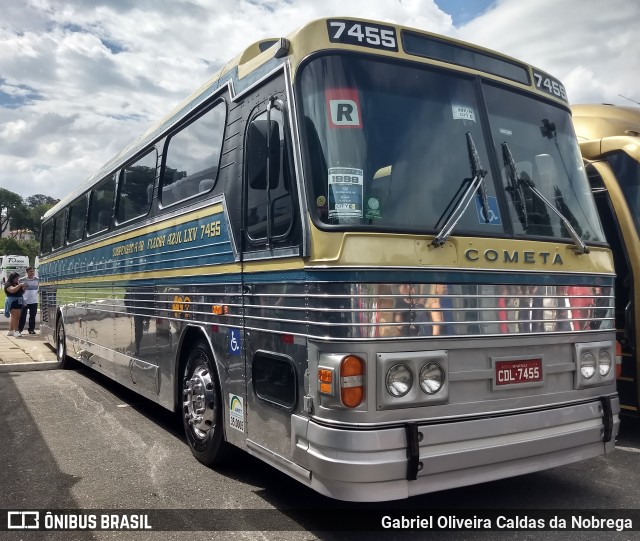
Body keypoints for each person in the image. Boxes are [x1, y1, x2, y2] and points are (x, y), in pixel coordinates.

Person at [4, 272, 26, 337]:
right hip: (13, 302)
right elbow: (12, 290)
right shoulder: (8, 284)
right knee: (16, 317)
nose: (17, 280)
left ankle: (11, 331)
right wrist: (19, 285)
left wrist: (23, 288)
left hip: (18, 301)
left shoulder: (16, 283)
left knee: (14, 317)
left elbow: (21, 292)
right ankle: (16, 331)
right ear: (12, 278)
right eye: (16, 278)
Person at [19, 266, 39, 335]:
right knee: (23, 316)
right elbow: (18, 289)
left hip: (34, 301)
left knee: (33, 316)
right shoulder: (22, 280)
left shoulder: (37, 279)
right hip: (24, 301)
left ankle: (31, 329)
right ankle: (20, 329)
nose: (32, 272)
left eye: (33, 271)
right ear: (27, 272)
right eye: (30, 271)